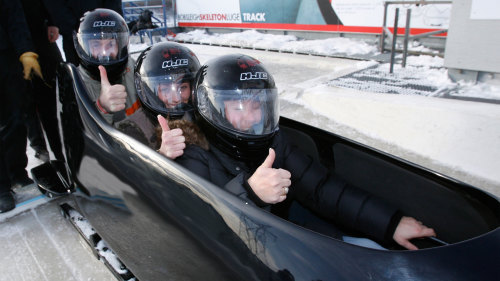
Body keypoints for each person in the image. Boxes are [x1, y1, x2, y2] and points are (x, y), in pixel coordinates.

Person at [176, 54, 436, 250]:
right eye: (238, 107)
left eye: (257, 106)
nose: (251, 117)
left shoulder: (275, 141)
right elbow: (202, 227)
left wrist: (389, 223)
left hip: (287, 241)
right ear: (211, 108)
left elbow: (321, 188)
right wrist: (251, 195)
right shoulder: (192, 151)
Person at [74, 8, 156, 148]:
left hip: (146, 148)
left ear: (120, 45)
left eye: (110, 44)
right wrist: (102, 108)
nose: (105, 53)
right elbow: (79, 142)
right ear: (84, 46)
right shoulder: (75, 83)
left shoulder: (136, 68)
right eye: (96, 45)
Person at [0, 0, 42, 212]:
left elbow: (13, 12)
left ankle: (17, 172)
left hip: (5, 54)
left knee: (16, 118)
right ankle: (1, 189)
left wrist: (25, 50)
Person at [134, 41, 207, 158]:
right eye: (165, 89)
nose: (176, 98)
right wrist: (161, 156)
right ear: (148, 91)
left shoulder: (198, 117)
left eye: (183, 88)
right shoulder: (133, 128)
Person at [20, 0, 65, 162]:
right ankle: (38, 145)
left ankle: (63, 150)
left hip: (39, 33)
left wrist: (52, 21)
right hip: (12, 40)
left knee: (54, 91)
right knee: (23, 99)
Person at [42, 0, 122, 66]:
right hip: (74, 35)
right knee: (80, 77)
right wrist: (74, 28)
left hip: (107, 33)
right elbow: (56, 6)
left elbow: (114, 6)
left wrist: (112, 24)